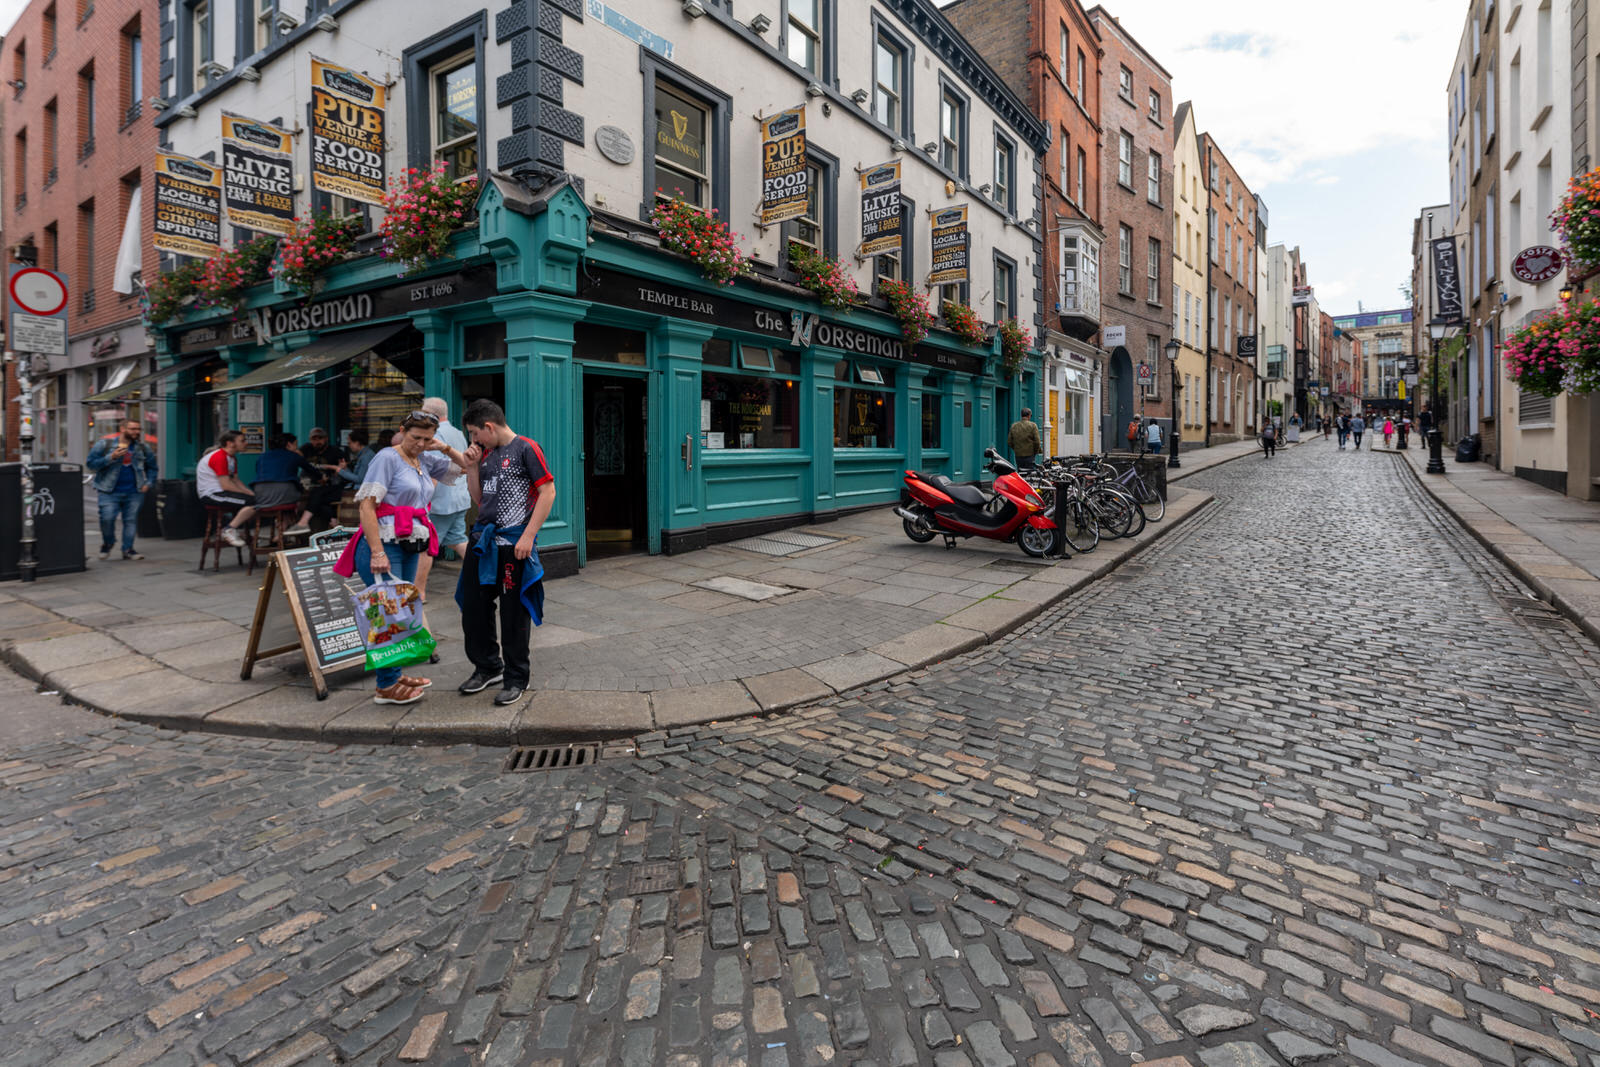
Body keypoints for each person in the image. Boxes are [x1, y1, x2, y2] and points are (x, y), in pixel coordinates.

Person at [333, 410, 471, 706]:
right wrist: (378, 553)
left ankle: (393, 676)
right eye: (415, 437)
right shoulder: (387, 457)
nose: (420, 443)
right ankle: (385, 686)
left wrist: (443, 447)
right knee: (386, 614)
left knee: (400, 612)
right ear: (401, 431)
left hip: (409, 544)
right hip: (384, 545)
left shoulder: (424, 458)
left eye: (427, 438)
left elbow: (466, 466)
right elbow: (367, 507)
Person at [457, 399, 556, 707]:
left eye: (475, 433)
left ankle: (516, 678)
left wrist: (528, 536)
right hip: (483, 542)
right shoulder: (484, 455)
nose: (473, 440)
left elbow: (547, 491)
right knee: (474, 606)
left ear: (489, 426)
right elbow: (479, 499)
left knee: (514, 614)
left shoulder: (526, 448)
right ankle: (487, 667)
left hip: (514, 544)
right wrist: (472, 467)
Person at [415, 397, 471, 600]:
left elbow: (435, 472)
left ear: (431, 415)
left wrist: (423, 500)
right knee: (458, 540)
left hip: (440, 502)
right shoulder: (458, 432)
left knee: (425, 546)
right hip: (459, 497)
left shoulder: (436, 434)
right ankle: (483, 578)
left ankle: (418, 592)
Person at [86, 418, 159, 561]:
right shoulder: (104, 445)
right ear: (123, 429)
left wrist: (148, 483)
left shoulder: (143, 448)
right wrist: (110, 457)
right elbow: (91, 464)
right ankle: (108, 543)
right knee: (107, 519)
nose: (136, 432)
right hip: (108, 491)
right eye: (133, 429)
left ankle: (128, 549)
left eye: (138, 429)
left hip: (135, 491)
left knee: (130, 520)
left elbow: (152, 468)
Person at [197, 431, 258, 547]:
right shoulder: (219, 457)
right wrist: (250, 496)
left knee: (257, 500)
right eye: (242, 441)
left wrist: (250, 493)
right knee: (253, 502)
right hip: (212, 494)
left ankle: (236, 529)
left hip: (223, 493)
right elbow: (227, 485)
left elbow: (236, 480)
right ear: (230, 443)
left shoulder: (231, 458)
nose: (246, 443)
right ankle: (229, 530)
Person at [250, 433, 319, 536]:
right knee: (301, 500)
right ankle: (295, 526)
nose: (297, 447)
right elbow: (312, 471)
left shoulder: (262, 456)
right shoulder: (293, 455)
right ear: (289, 445)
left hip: (260, 495)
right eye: (295, 444)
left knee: (285, 502)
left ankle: (281, 531)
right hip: (285, 492)